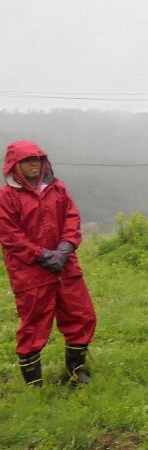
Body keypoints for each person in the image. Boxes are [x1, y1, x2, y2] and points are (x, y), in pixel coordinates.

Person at [0, 140, 97, 386]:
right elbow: (10, 235)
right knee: (33, 326)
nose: (35, 165)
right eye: (28, 161)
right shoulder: (6, 197)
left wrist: (65, 248)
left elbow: (72, 218)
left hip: (66, 268)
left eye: (37, 160)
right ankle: (35, 385)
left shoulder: (57, 188)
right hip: (30, 274)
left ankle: (77, 371)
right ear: (15, 165)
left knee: (81, 316)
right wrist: (41, 254)